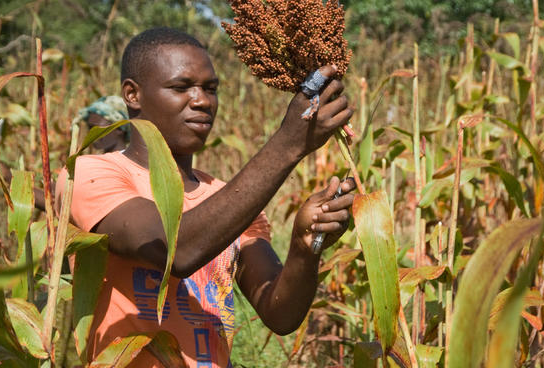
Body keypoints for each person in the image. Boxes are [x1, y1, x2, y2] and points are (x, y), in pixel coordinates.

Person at [56, 27, 355, 367]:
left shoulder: (229, 200)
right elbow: (176, 251)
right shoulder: (89, 173)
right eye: (181, 87)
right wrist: (289, 144)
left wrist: (305, 247)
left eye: (210, 89)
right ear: (132, 94)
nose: (202, 101)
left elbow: (280, 315)